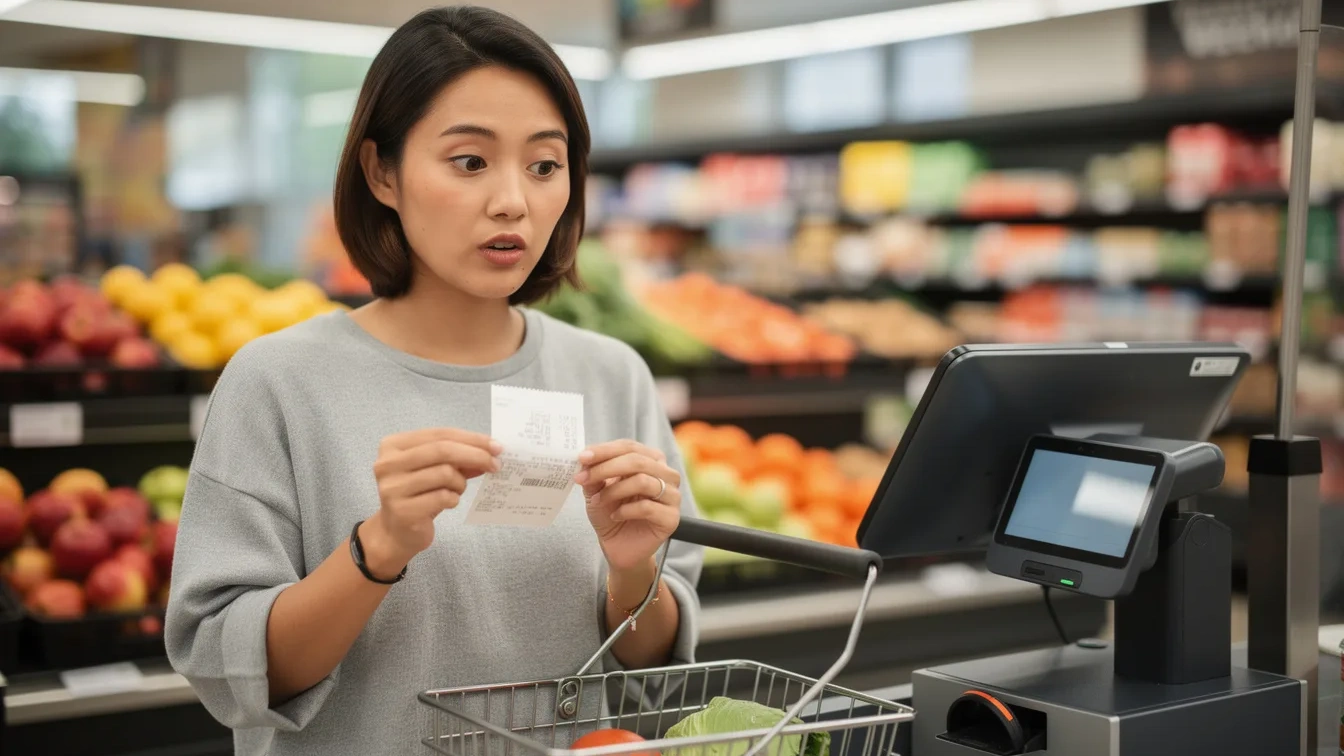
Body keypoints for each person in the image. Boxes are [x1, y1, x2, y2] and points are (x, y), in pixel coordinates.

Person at [163, 7, 703, 755]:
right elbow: (230, 672)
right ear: (382, 172)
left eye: (544, 166)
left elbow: (651, 678)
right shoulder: (279, 382)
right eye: (470, 162)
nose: (513, 199)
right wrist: (376, 549)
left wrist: (633, 570)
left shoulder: (610, 375)